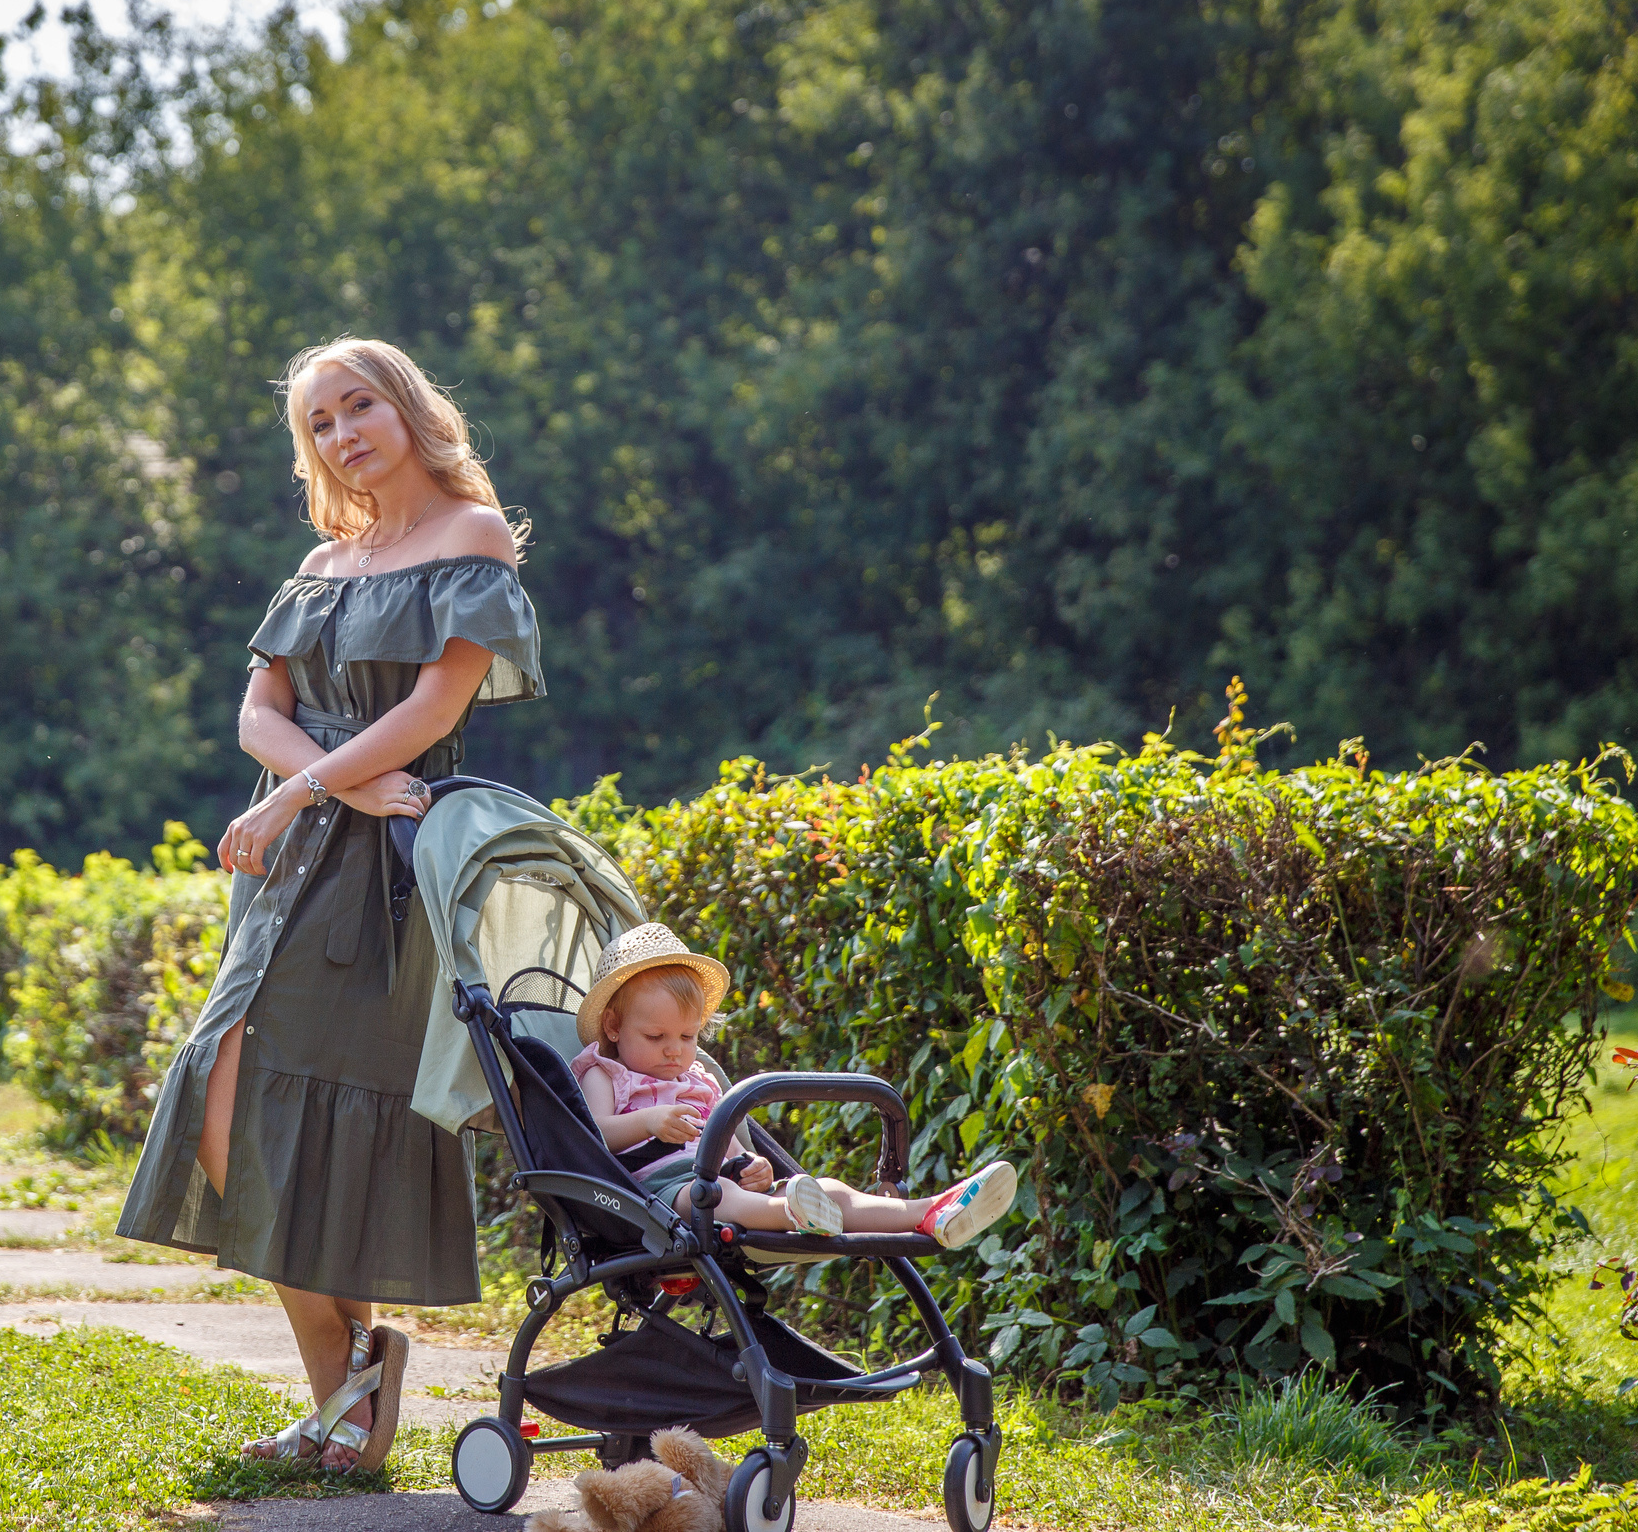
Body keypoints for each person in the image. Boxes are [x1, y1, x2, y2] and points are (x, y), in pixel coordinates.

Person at [115, 337, 544, 1474]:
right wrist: (332, 782)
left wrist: (317, 786)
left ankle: (344, 1403)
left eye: (359, 406)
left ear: (405, 408)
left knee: (317, 1118)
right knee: (223, 1099)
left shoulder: (472, 538)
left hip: (384, 878)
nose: (343, 432)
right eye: (319, 421)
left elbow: (431, 713)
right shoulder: (322, 562)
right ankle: (352, 1379)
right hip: (296, 857)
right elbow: (256, 717)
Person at [572, 923, 1019, 1247]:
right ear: (613, 1026)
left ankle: (930, 1211)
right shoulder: (606, 1074)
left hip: (716, 1181)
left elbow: (721, 1148)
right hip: (662, 1196)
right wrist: (650, 1121)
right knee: (719, 1195)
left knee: (825, 1187)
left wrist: (750, 1165)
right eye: (656, 1037)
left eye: (688, 1037)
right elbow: (593, 1135)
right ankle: (793, 1214)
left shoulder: (697, 1082)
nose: (674, 1051)